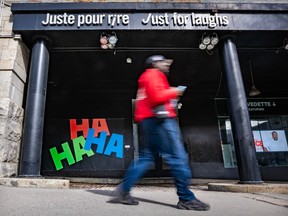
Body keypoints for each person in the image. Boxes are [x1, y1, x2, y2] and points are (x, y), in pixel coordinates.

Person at [114, 55, 210, 211]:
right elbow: (157, 97)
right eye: (163, 62)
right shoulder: (153, 74)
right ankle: (186, 198)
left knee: (146, 158)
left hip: (149, 122)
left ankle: (124, 190)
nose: (166, 65)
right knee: (177, 158)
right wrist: (174, 91)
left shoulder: (146, 78)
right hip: (161, 121)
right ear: (155, 63)